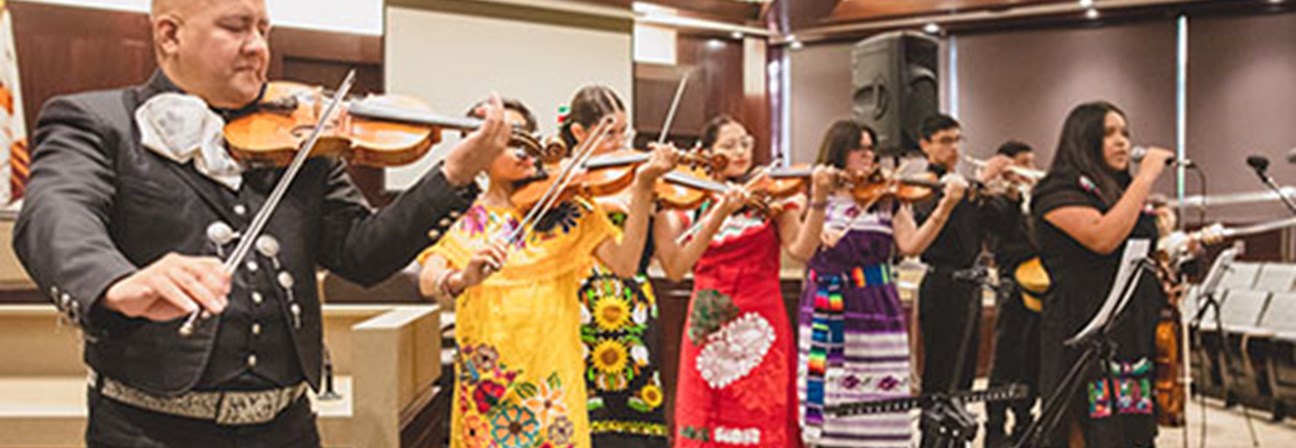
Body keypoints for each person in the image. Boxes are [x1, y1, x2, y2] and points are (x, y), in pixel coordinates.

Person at [10, 1, 513, 446]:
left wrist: (453, 175)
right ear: (169, 34)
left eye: (264, 30)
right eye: (236, 27)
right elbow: (55, 215)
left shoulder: (306, 137)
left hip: (287, 428)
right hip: (148, 431)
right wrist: (117, 282)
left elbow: (363, 254)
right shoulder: (98, 122)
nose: (257, 47)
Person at [417, 95, 675, 448]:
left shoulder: (568, 210)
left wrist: (643, 187)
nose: (525, 150)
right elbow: (427, 279)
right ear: (478, 152)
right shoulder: (463, 214)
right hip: (490, 383)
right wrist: (460, 279)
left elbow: (626, 264)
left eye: (529, 138)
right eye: (510, 141)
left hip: (551, 383)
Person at [655, 115, 834, 447]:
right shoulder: (688, 202)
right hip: (709, 325)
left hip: (762, 323)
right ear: (707, 153)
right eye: (728, 145)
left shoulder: (771, 196)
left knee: (763, 414)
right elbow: (676, 268)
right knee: (705, 418)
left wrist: (819, 199)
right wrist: (720, 211)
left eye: (745, 143)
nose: (740, 151)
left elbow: (801, 249)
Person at [795, 119, 965, 447]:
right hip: (826, 305)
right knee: (829, 397)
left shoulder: (887, 196)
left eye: (872, 149)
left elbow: (911, 245)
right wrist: (819, 203)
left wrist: (945, 206)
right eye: (858, 148)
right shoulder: (812, 193)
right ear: (838, 150)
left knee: (879, 399)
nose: (868, 155)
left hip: (877, 307)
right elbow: (799, 244)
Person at [1030, 101, 1174, 447]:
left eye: (1125, 133)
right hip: (1080, 325)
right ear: (1084, 139)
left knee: (1128, 427)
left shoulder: (1120, 190)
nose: (1122, 141)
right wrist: (1146, 177)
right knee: (1089, 424)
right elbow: (1102, 237)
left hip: (1125, 329)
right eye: (1109, 133)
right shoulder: (1057, 189)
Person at [557, 85, 670, 446]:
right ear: (579, 132)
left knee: (637, 407)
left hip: (633, 308)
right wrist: (606, 204)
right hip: (578, 306)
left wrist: (642, 192)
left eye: (624, 132)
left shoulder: (632, 177)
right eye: (609, 133)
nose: (620, 142)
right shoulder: (559, 179)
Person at [910, 114, 1010, 448]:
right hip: (942, 283)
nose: (954, 148)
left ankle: (955, 437)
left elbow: (996, 226)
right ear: (925, 145)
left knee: (964, 372)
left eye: (957, 140)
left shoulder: (963, 186)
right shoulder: (924, 185)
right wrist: (977, 185)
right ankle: (932, 439)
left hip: (969, 285)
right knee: (942, 371)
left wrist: (1006, 194)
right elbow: (941, 229)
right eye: (945, 141)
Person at [982, 140, 1042, 447]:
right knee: (1006, 359)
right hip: (1011, 287)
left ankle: (1023, 423)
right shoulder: (997, 204)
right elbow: (1001, 247)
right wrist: (1013, 196)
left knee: (1032, 359)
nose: (1030, 170)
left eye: (1031, 162)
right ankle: (994, 426)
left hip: (1038, 289)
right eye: (1024, 163)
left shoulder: (1037, 201)